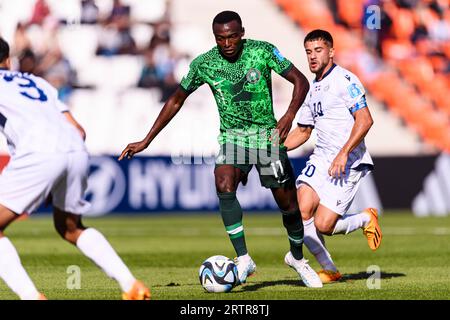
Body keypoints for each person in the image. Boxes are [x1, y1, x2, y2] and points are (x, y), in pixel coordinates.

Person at [119, 11, 323, 288]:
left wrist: (288, 116)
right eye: (220, 38)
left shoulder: (262, 51)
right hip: (233, 139)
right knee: (223, 183)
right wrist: (147, 140)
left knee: (288, 206)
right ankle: (243, 259)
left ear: (241, 33)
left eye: (231, 37)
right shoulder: (205, 63)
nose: (226, 43)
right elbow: (176, 100)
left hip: (267, 138)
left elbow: (301, 81)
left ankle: (297, 258)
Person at [0, 38, 150, 300]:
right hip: (74, 149)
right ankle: (131, 285)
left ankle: (30, 296)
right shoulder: (35, 82)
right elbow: (79, 130)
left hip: (38, 152)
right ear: (7, 60)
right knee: (70, 228)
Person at [284, 29, 382, 283]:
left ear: (331, 51)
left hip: (348, 162)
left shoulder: (345, 80)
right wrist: (276, 148)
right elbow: (304, 131)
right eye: (308, 52)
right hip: (321, 158)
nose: (313, 56)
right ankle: (329, 269)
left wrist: (343, 152)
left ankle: (365, 218)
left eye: (318, 50)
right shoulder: (313, 88)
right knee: (300, 211)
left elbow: (365, 119)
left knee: (324, 225)